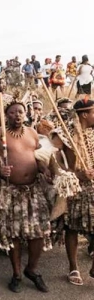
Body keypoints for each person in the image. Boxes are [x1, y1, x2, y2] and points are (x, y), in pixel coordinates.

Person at [0, 98, 52, 293]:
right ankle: (16, 273)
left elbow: (40, 157)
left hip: (33, 190)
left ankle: (31, 270)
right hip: (9, 191)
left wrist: (43, 168)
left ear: (26, 114)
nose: (17, 115)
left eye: (20, 112)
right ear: (6, 115)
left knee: (39, 233)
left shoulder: (33, 133)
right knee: (13, 234)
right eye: (13, 112)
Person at [49, 98, 94, 285]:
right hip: (74, 187)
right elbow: (53, 160)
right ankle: (73, 267)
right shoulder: (64, 135)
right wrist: (74, 173)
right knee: (72, 227)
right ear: (84, 114)